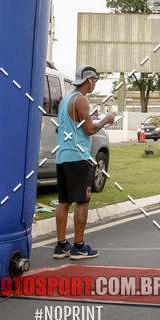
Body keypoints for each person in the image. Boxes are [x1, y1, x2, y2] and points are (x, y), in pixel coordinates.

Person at [53, 65, 114, 261]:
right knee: (82, 201)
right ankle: (79, 246)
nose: (95, 83)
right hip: (79, 158)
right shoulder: (81, 100)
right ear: (89, 80)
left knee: (64, 202)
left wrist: (90, 118)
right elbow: (89, 130)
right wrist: (105, 120)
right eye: (95, 79)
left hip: (62, 156)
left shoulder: (66, 100)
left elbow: (71, 125)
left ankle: (61, 245)